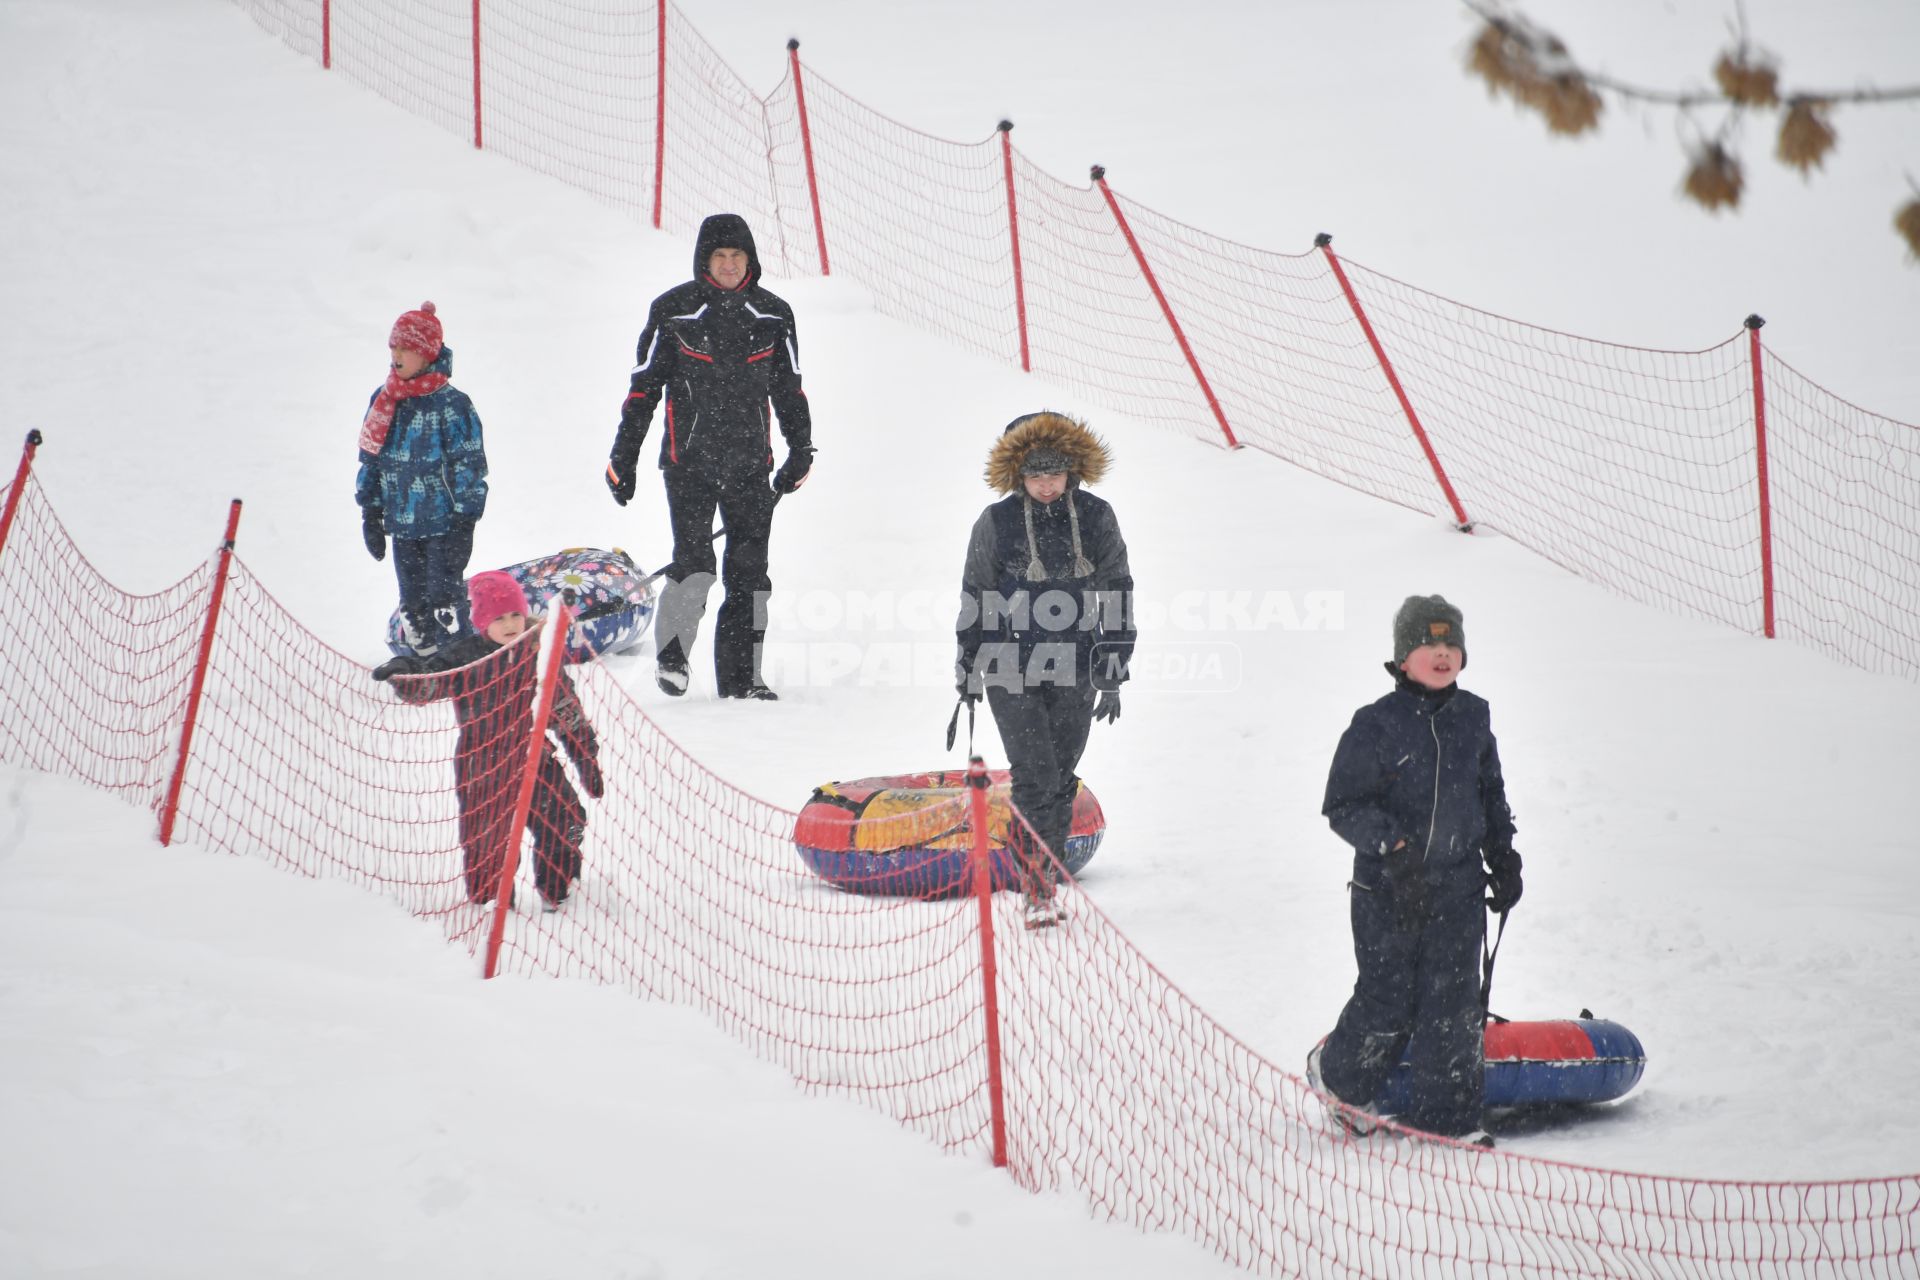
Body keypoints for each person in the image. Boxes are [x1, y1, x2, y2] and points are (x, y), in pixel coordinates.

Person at [1306, 594, 1523, 1149]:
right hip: (1388, 889)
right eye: (1430, 644)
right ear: (1404, 657)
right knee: (1389, 995)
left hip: (1457, 886)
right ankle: (1341, 1084)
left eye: (1451, 644)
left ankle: (1448, 1120)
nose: (1442, 653)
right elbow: (1343, 804)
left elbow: (1490, 793)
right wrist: (1394, 848)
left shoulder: (1474, 716)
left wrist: (1503, 856)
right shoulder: (1376, 724)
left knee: (1453, 1002)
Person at [604, 213, 814, 701]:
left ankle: (743, 682)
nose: (728, 265)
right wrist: (624, 457)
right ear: (704, 260)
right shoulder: (674, 310)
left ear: (750, 260)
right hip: (688, 464)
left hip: (750, 466)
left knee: (749, 574)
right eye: (719, 256)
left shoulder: (774, 314)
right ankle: (673, 657)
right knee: (695, 565)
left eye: (736, 255)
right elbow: (643, 391)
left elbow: (789, 389)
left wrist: (800, 448)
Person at [954, 412, 1134, 929]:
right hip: (1008, 664)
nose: (1046, 484)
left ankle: (1032, 864)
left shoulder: (1097, 516)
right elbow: (977, 595)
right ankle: (1039, 890)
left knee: (1060, 778)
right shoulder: (997, 521)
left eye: (1055, 473)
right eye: (1036, 475)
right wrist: (968, 665)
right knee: (1034, 775)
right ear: (1018, 475)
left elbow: (1117, 587)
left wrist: (1113, 666)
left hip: (1074, 662)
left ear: (1072, 470)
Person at [373, 572, 605, 910]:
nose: (510, 624)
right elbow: (430, 682)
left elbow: (566, 709)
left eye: (515, 614)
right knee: (486, 842)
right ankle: (492, 905)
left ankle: (559, 893)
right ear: (483, 622)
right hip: (482, 766)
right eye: (499, 618)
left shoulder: (538, 653)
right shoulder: (467, 657)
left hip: (534, 758)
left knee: (565, 821)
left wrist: (585, 755)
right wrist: (405, 671)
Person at [355, 301, 488, 655]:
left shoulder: (452, 405)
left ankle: (456, 665)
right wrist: (371, 512)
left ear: (427, 353)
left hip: (444, 525)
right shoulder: (385, 401)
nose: (396, 355)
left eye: (406, 349)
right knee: (412, 605)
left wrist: (465, 520)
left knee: (445, 600)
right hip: (402, 526)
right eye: (394, 348)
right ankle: (425, 665)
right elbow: (371, 460)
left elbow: (469, 464)